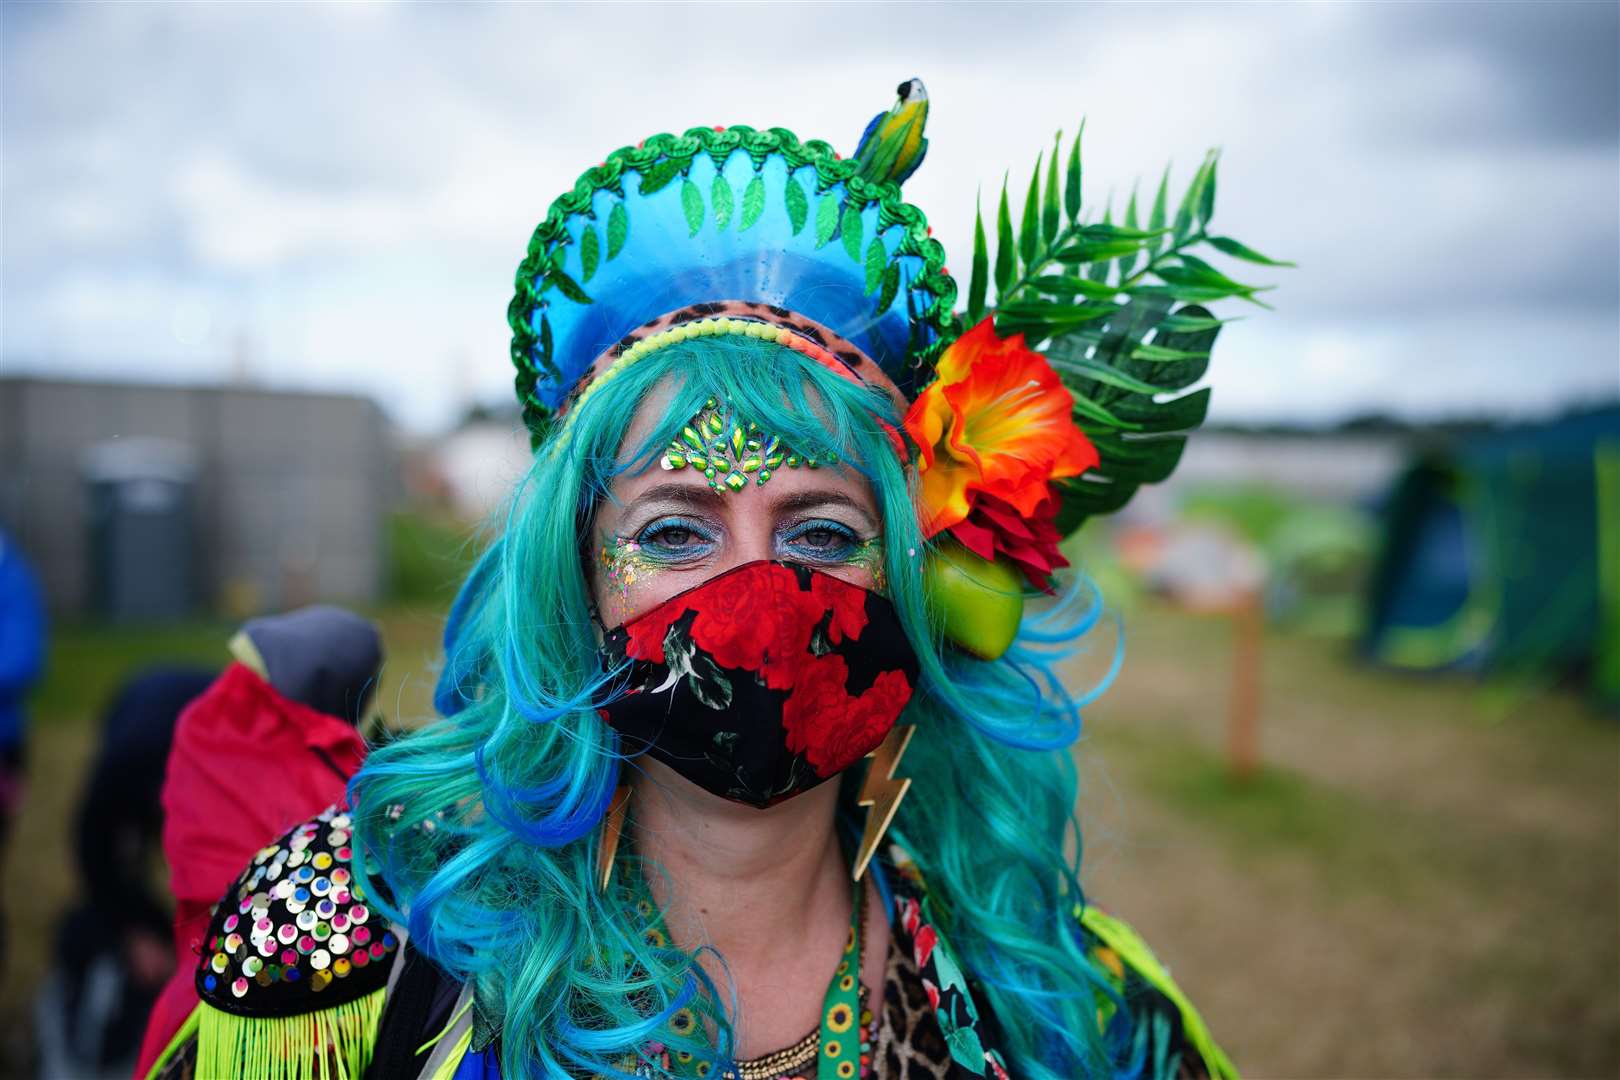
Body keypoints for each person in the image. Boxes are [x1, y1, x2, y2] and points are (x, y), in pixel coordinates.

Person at [145, 81, 1279, 1079]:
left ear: (914, 581)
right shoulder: (368, 946)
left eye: (823, 535)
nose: (758, 594)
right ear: (576, 580)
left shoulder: (1051, 994)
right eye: (678, 533)